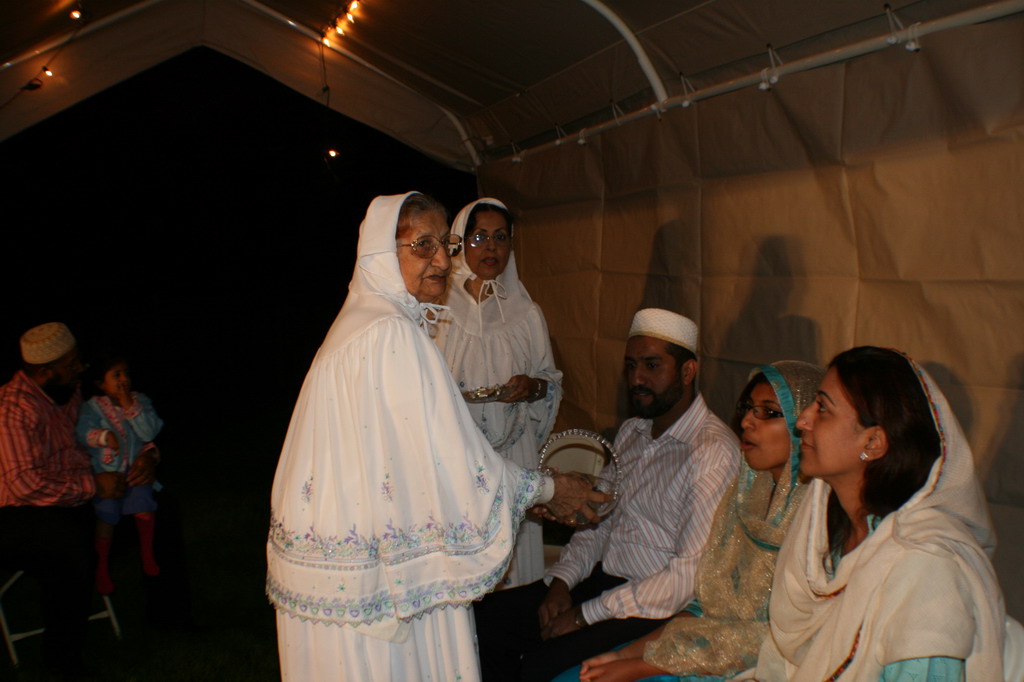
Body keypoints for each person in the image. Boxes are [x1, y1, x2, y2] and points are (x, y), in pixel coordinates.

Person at [265, 192, 604, 682]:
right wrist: (550, 488)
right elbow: (450, 461)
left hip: (344, 551)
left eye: (445, 244)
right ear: (381, 254)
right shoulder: (391, 333)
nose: (443, 260)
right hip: (375, 566)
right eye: (423, 245)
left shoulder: (362, 321)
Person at [474, 308, 741, 682]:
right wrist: (561, 584)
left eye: (651, 365)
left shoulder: (712, 451)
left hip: (652, 605)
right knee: (485, 620)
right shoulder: (633, 432)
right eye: (631, 366)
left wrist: (584, 615)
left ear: (687, 371)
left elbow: (684, 580)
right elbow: (596, 521)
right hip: (602, 585)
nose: (637, 379)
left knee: (540, 664)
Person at [751, 346, 1006, 680]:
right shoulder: (822, 530)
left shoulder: (926, 565)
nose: (802, 420)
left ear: (873, 443)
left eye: (823, 408)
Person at [569, 360, 825, 682]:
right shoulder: (743, 496)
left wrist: (639, 664)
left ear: (805, 422)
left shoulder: (818, 518)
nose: (746, 421)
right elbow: (704, 603)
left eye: (768, 412)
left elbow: (780, 637)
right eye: (747, 408)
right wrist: (627, 654)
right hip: (696, 643)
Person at [0, 322, 157, 674]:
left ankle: (169, 615)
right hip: (17, 513)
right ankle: (62, 661)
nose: (80, 370)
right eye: (72, 365)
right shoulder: (12, 408)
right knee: (69, 550)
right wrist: (94, 485)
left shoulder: (66, 391)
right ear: (45, 371)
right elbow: (24, 484)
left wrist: (148, 454)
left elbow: (109, 431)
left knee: (157, 509)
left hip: (72, 495)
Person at [434, 197, 562, 587]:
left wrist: (532, 387)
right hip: (458, 454)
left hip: (514, 451)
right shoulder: (438, 310)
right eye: (479, 237)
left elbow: (550, 382)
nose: (491, 247)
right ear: (460, 242)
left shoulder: (526, 314)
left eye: (500, 237)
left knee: (515, 567)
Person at [77, 356, 164, 594]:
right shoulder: (93, 407)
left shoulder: (140, 401)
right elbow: (83, 432)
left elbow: (149, 433)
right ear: (101, 384)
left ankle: (147, 554)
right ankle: (102, 566)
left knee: (144, 504)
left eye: (126, 373)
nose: (124, 379)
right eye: (116, 375)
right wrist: (103, 436)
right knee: (107, 514)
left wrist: (130, 407)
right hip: (107, 475)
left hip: (135, 472)